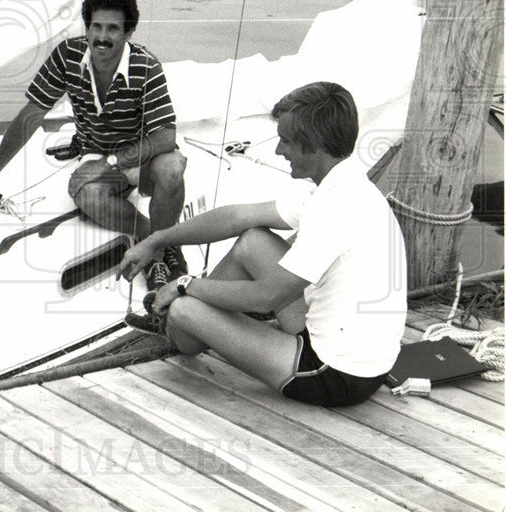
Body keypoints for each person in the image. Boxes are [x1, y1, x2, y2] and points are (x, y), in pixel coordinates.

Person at [117, 82, 407, 406]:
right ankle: (179, 316)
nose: (278, 151)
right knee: (253, 240)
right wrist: (158, 239)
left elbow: (266, 297)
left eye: (286, 141)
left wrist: (185, 285)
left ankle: (175, 321)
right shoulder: (341, 183)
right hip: (357, 350)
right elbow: (237, 217)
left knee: (185, 309)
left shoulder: (335, 208)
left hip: (335, 373)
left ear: (315, 147)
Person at [0, 0, 188, 280]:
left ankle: (165, 249)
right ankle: (157, 239)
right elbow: (32, 113)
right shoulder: (67, 55)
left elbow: (166, 137)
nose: (102, 37)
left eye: (113, 29)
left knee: (172, 168)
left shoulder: (146, 65)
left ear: (128, 34)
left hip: (141, 156)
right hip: (97, 152)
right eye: (96, 27)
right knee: (88, 197)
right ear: (86, 29)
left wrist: (112, 162)